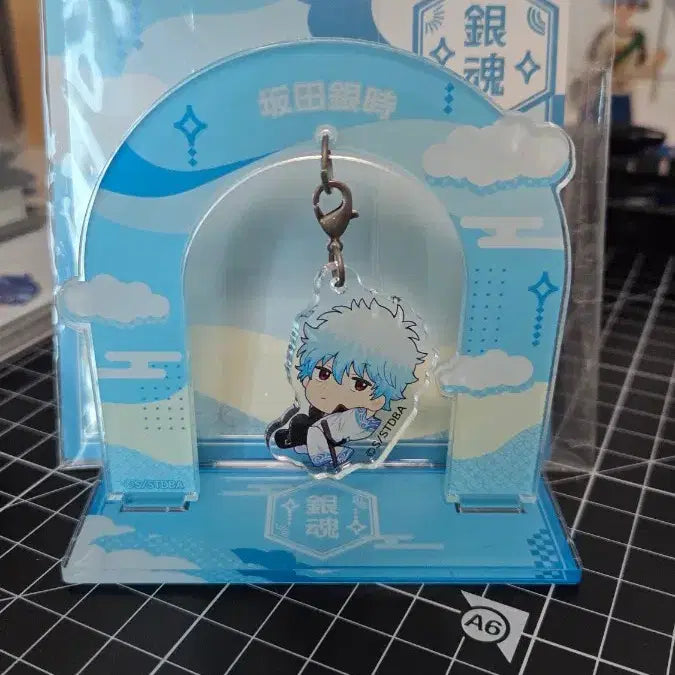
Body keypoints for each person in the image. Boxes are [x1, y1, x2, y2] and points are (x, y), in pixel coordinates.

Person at [266, 297, 426, 469]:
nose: (333, 390)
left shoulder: (350, 415)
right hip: (343, 424)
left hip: (357, 420)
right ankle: (313, 446)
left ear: (378, 400)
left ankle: (329, 457)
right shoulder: (318, 412)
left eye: (359, 385)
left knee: (316, 430)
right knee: (310, 426)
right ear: (307, 378)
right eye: (324, 374)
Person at [588, 0, 667, 125]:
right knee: (599, 128)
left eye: (630, 5)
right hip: (603, 94)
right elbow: (593, 63)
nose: (624, 9)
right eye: (619, 4)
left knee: (623, 130)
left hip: (624, 96)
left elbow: (642, 69)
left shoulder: (639, 38)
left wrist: (656, 63)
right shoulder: (604, 35)